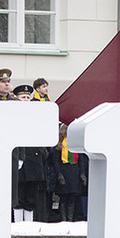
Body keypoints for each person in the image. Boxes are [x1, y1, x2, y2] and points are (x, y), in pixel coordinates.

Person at [13, 84, 51, 222]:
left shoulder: (36, 115)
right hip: (18, 158)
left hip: (34, 160)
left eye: (28, 97)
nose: (26, 100)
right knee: (18, 195)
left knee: (31, 196)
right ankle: (17, 223)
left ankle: (28, 223)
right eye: (22, 97)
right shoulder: (13, 115)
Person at [50, 123, 86, 222]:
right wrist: (59, 174)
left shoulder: (76, 145)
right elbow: (55, 161)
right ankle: (63, 220)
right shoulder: (60, 144)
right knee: (63, 199)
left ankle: (69, 219)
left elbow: (81, 160)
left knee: (72, 199)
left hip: (74, 173)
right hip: (64, 172)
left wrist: (82, 174)